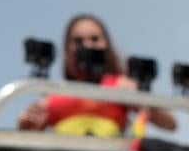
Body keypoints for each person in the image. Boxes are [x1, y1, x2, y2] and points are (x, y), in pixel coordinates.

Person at [18, 14, 177, 136]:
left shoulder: (121, 85)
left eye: (94, 39)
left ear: (106, 44)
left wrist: (139, 97)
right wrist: (27, 124)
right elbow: (29, 135)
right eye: (78, 41)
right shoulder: (54, 93)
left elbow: (170, 124)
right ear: (67, 49)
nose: (87, 45)